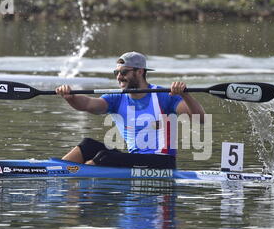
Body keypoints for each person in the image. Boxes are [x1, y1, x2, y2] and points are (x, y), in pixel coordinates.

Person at [55, 51, 205, 169]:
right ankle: (55, 170)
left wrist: (186, 95)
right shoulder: (117, 98)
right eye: (117, 73)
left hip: (162, 162)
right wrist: (70, 97)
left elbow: (200, 119)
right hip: (134, 161)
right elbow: (87, 104)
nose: (119, 77)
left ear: (139, 72)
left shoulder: (163, 96)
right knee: (88, 145)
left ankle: (75, 177)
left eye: (124, 72)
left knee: (106, 157)